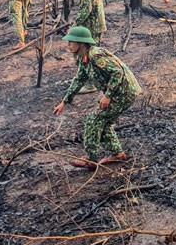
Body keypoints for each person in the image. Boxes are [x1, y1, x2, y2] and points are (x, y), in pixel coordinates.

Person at [52, 26, 141, 169]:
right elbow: (79, 80)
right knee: (103, 122)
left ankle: (90, 159)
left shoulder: (95, 56)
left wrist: (108, 96)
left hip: (124, 92)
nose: (68, 45)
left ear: (81, 43)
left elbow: (117, 72)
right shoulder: (84, 58)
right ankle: (117, 154)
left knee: (93, 121)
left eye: (71, 42)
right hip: (120, 92)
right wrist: (64, 102)